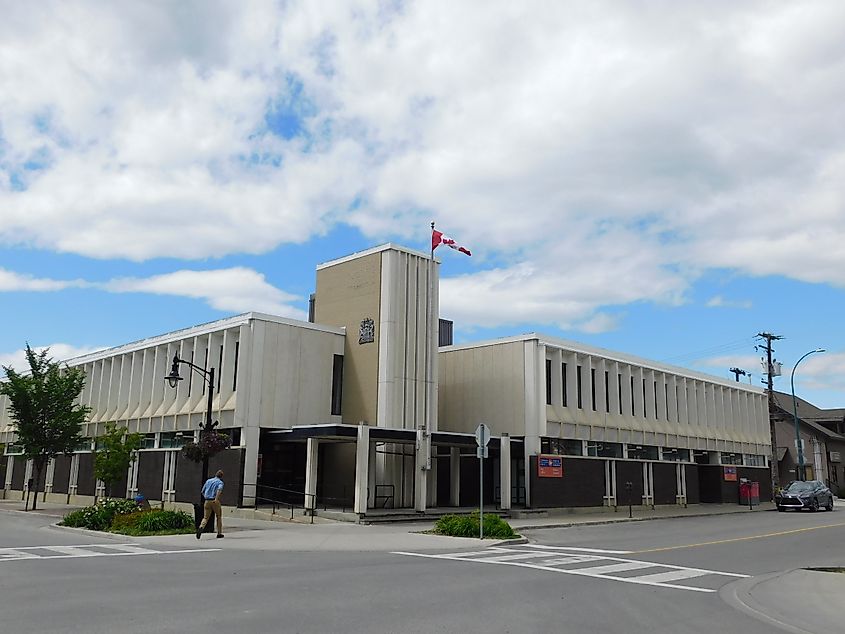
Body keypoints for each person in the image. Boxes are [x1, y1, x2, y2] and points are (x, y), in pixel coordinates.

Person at [197, 470, 224, 539]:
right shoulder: (220, 482)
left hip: (207, 500)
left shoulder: (208, 481)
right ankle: (219, 533)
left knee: (205, 517)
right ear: (221, 476)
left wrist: (206, 497)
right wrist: (216, 499)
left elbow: (202, 491)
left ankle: (201, 527)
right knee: (218, 516)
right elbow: (219, 490)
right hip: (214, 501)